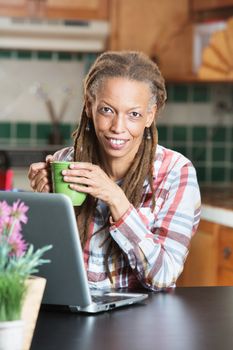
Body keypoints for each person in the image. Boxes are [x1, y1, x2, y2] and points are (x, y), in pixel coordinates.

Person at [28, 51, 201, 291]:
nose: (118, 127)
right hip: (74, 312)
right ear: (90, 106)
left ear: (150, 116)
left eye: (134, 114)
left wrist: (116, 199)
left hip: (143, 321)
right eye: (107, 110)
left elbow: (164, 276)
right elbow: (42, 265)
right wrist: (40, 207)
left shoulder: (175, 173)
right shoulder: (65, 162)